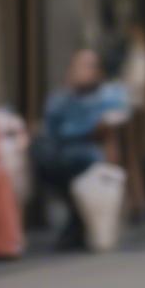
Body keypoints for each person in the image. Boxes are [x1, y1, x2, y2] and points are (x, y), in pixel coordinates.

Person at [32, 49, 129, 249]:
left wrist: (100, 129)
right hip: (61, 149)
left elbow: (116, 119)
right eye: (77, 66)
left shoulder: (110, 95)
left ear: (99, 72)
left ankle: (78, 223)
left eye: (87, 66)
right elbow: (50, 128)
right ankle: (76, 221)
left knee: (84, 160)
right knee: (41, 155)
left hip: (90, 151)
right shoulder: (61, 98)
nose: (80, 71)